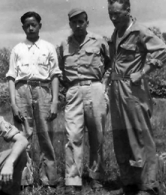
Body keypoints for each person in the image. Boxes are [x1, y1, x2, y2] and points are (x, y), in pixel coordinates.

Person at [107, 0, 166, 194]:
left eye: (117, 14)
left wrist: (142, 72)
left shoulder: (140, 31)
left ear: (127, 10)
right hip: (116, 90)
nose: (113, 18)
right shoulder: (115, 33)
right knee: (121, 136)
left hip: (133, 89)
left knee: (140, 135)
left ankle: (148, 185)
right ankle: (129, 183)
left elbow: (162, 50)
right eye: (110, 14)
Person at [6, 11, 61, 191]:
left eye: (34, 24)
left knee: (46, 136)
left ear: (39, 26)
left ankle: (49, 180)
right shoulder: (17, 49)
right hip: (22, 91)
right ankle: (25, 181)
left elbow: (54, 75)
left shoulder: (48, 47)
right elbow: (11, 77)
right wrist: (14, 104)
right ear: (23, 27)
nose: (30, 28)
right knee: (23, 136)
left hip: (43, 90)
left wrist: (54, 101)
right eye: (27, 25)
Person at [57, 8, 111, 195]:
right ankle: (73, 180)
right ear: (70, 24)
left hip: (96, 88)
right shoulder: (64, 44)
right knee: (73, 136)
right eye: (74, 22)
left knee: (97, 135)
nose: (78, 25)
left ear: (87, 22)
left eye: (81, 21)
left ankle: (96, 178)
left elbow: (111, 64)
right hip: (73, 91)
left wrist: (104, 85)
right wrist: (70, 88)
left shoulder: (99, 41)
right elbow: (59, 70)